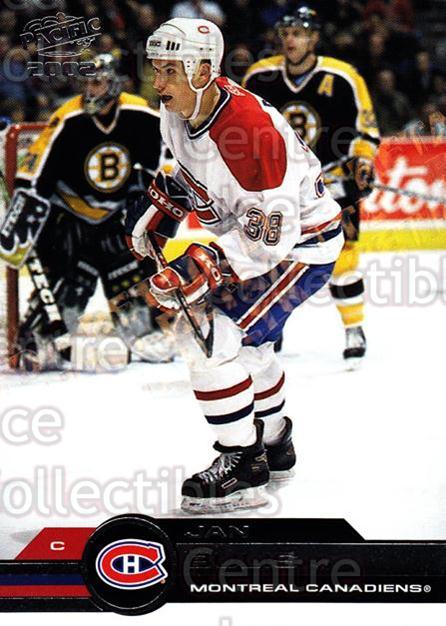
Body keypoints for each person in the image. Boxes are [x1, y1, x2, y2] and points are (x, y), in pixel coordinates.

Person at [126, 18, 344, 513]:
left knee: (206, 335)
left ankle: (243, 464)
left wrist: (203, 264)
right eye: (155, 69)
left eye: (169, 71)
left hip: (300, 247)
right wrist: (164, 210)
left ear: (203, 70)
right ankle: (276, 442)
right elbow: (192, 174)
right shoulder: (178, 112)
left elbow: (270, 239)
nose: (157, 82)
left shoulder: (248, 129)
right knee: (249, 346)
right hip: (266, 238)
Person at [11, 53, 172, 370]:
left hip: (116, 214)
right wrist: (26, 202)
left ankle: (140, 332)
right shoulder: (68, 117)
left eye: (96, 83)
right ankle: (41, 338)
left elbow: (164, 159)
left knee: (126, 273)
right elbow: (35, 167)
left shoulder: (140, 113)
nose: (90, 90)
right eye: (85, 83)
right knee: (73, 277)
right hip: (70, 213)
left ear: (113, 84)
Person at [243, 6, 380, 365]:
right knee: (272, 259)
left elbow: (365, 129)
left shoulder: (343, 76)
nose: (291, 40)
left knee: (344, 258)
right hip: (278, 186)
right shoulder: (260, 77)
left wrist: (363, 161)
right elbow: (240, 129)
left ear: (314, 38)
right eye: (286, 33)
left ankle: (353, 328)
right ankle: (271, 328)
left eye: (299, 34)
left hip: (334, 182)